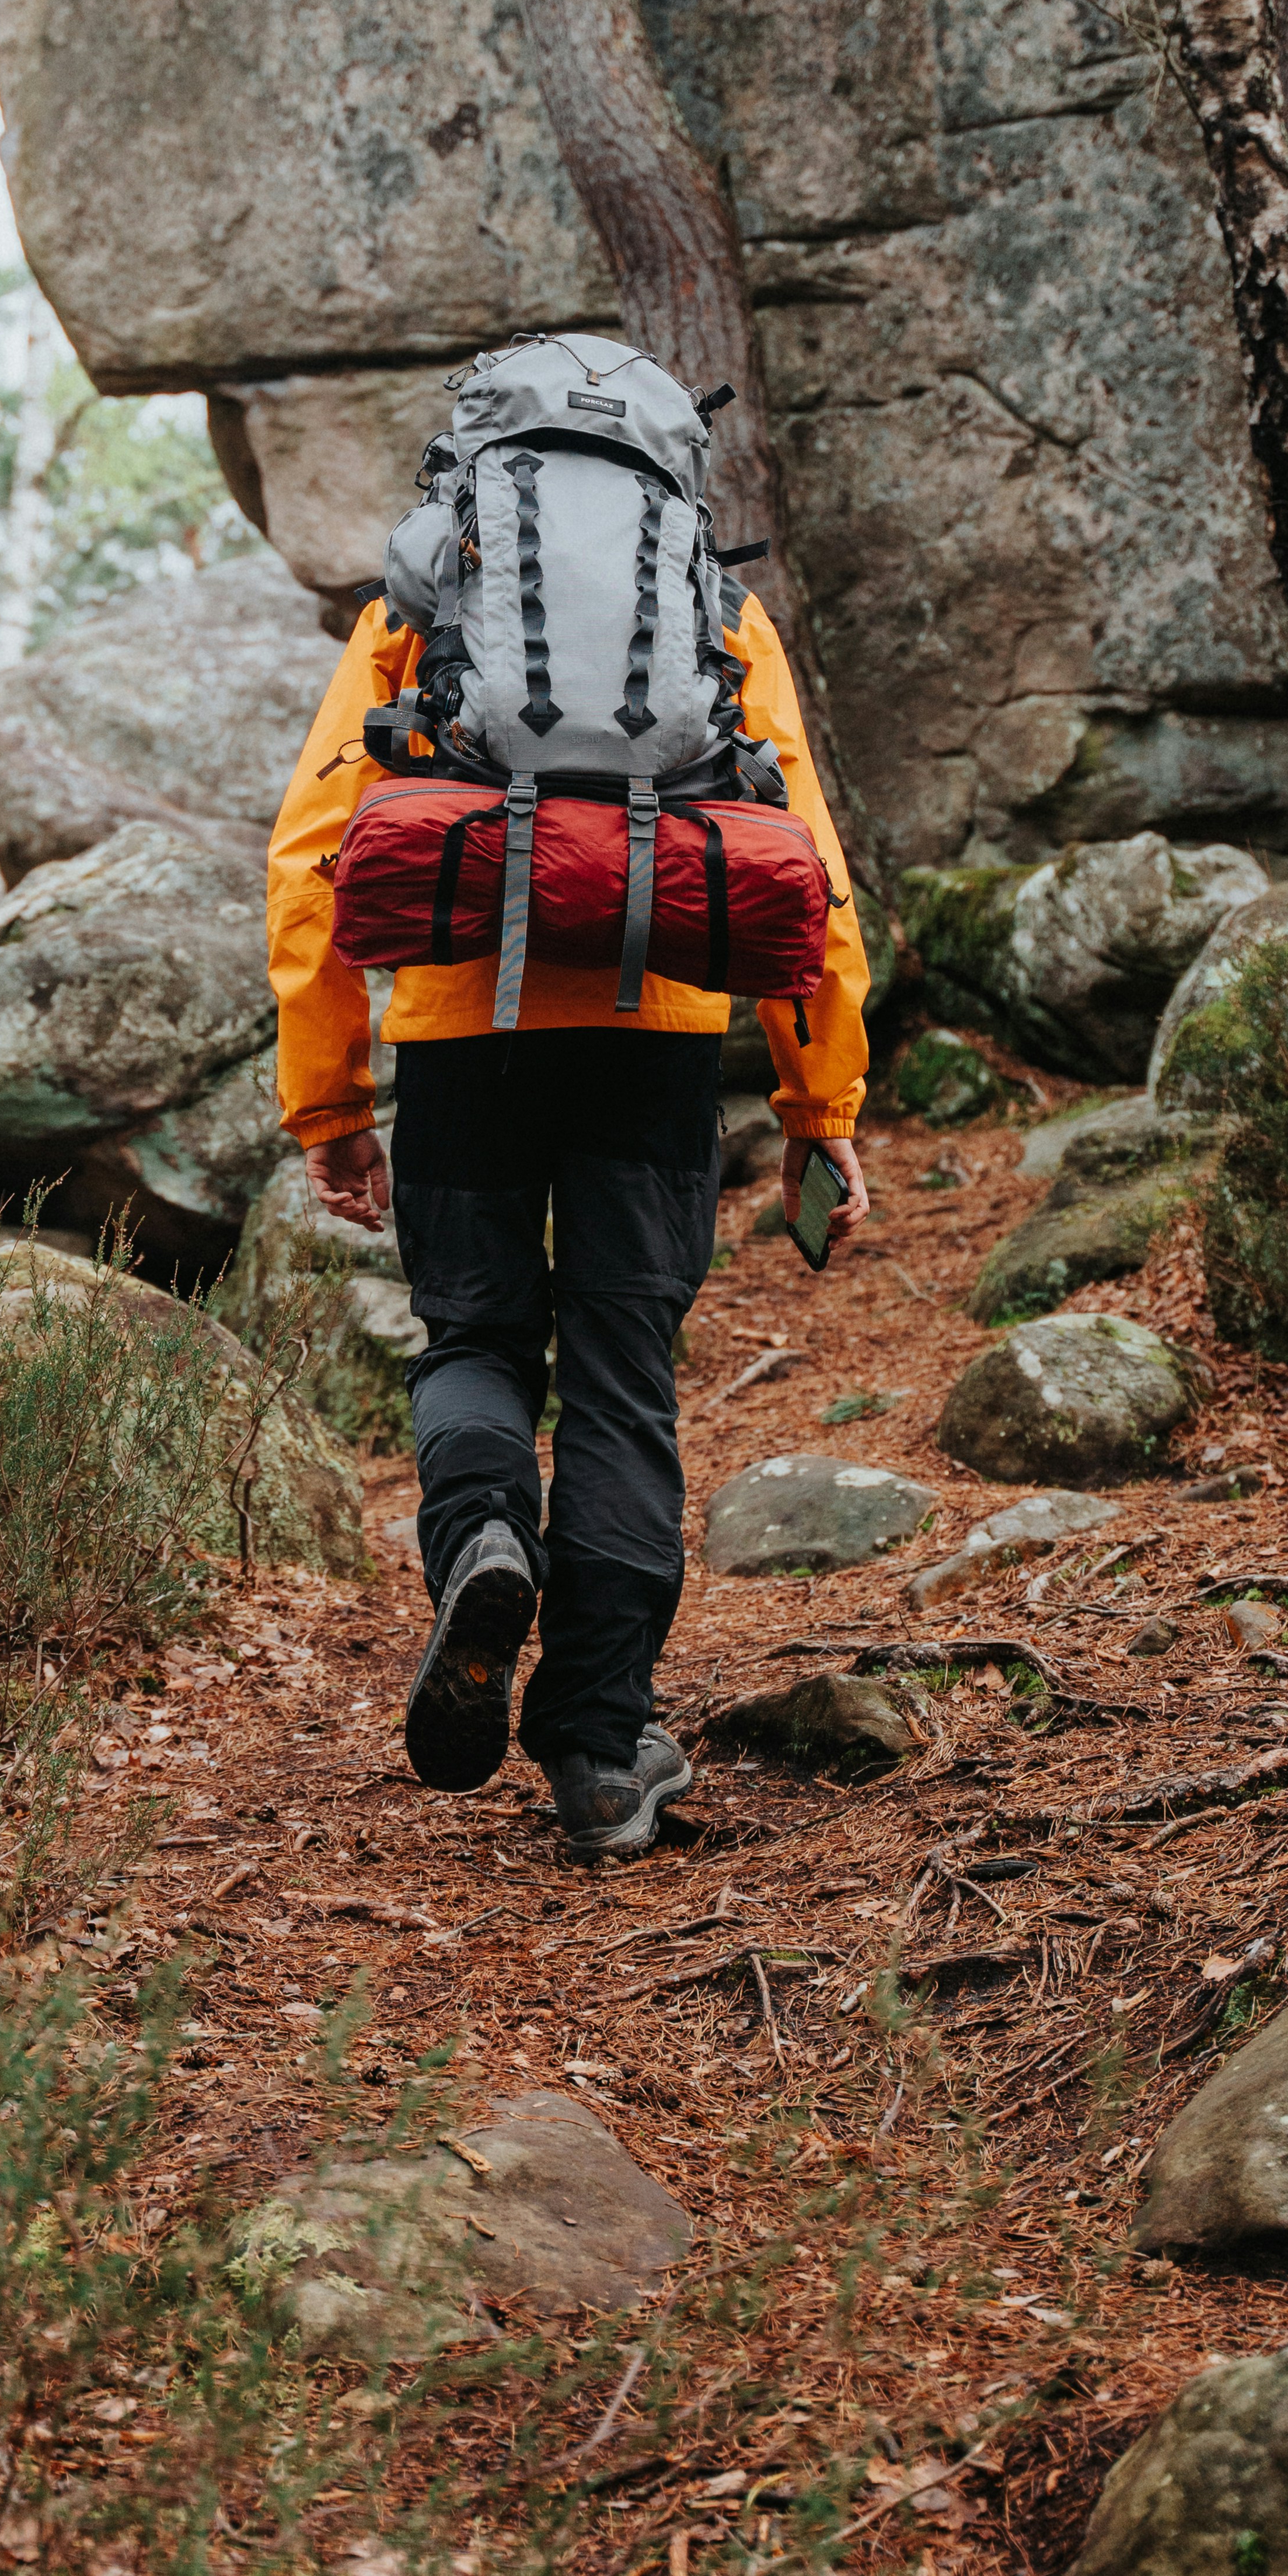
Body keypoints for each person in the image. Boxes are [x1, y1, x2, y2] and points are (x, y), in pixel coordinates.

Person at [264, 562, 870, 1862]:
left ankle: (484, 1531)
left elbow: (311, 855)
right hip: (652, 1035)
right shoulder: (711, 607)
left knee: (473, 1338)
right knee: (619, 1379)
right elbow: (807, 865)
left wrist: (328, 1100)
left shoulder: (415, 605)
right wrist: (819, 1100)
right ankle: (598, 1751)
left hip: (455, 1028)